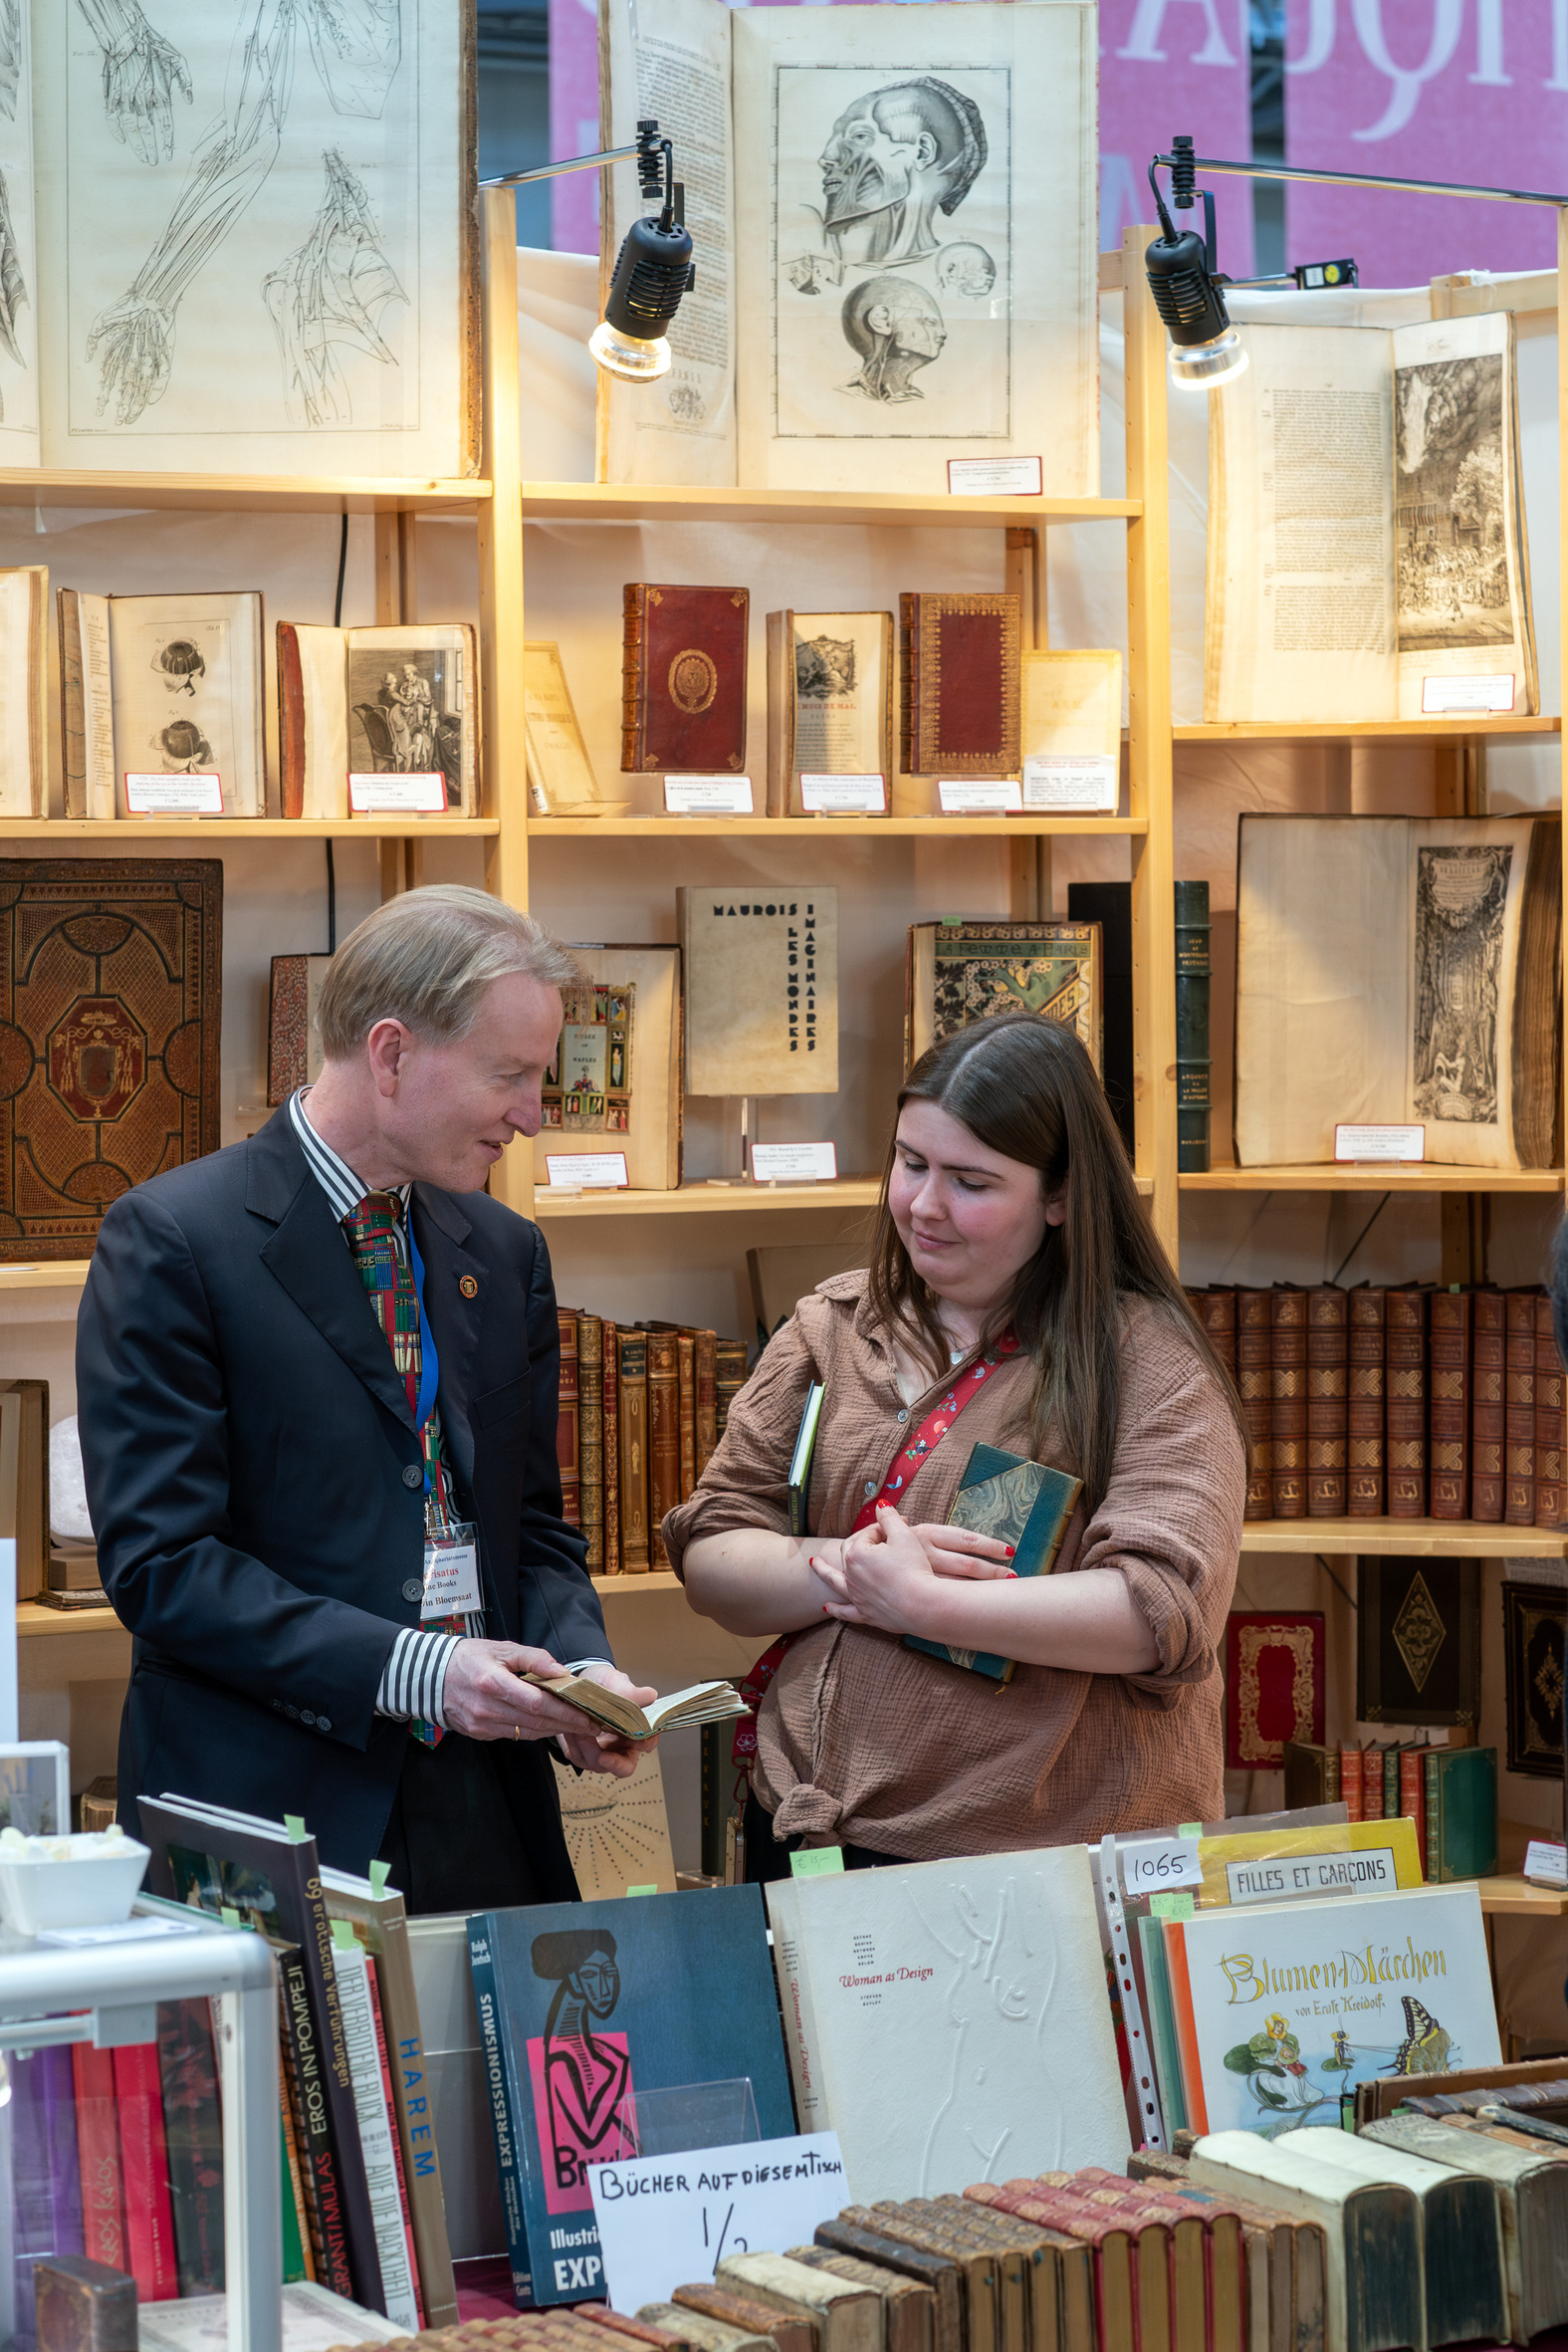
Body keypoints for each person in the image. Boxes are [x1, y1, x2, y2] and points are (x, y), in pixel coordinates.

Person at [77, 886, 655, 1912]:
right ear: (390, 1054)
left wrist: (580, 1673)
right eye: (509, 1076)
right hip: (272, 1803)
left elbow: (530, 1528)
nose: (532, 1115)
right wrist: (419, 1670)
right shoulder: (175, 1241)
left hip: (485, 1798)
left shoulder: (503, 1250)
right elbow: (165, 1566)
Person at [664, 1012, 1247, 1872]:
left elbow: (1157, 1616)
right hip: (805, 1831)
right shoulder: (829, 1327)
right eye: (911, 1164)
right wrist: (851, 1563)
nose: (924, 1206)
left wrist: (925, 1605)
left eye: (971, 1182)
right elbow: (712, 1556)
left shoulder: (1146, 1363)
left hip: (1029, 1863)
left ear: (1060, 1197)